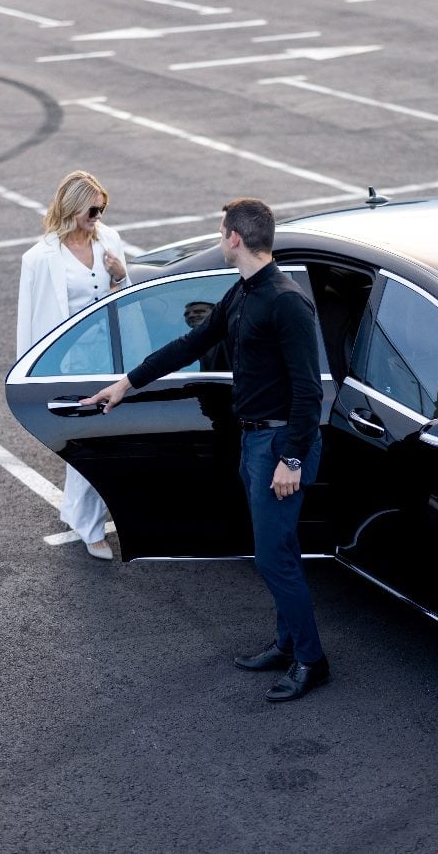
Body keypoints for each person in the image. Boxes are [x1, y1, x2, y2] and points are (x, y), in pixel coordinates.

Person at [82, 198, 329, 702]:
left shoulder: (286, 302)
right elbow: (189, 345)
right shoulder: (242, 293)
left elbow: (309, 391)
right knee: (277, 552)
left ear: (235, 238)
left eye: (221, 232)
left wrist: (292, 459)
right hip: (255, 440)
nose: (220, 238)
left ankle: (311, 660)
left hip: (280, 445)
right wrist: (127, 384)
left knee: (274, 559)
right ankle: (287, 643)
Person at [17, 170, 129, 561]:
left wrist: (121, 276)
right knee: (86, 439)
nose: (99, 217)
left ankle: (80, 514)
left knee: (102, 438)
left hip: (108, 357)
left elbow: (122, 297)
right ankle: (90, 526)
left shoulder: (109, 240)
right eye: (93, 210)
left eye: (103, 209)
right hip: (68, 363)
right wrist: (29, 374)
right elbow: (29, 319)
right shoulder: (39, 259)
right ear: (72, 208)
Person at [183, 301, 231, 371]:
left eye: (198, 312)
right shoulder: (199, 341)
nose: (191, 315)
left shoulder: (228, 335)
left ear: (215, 313)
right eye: (187, 314)